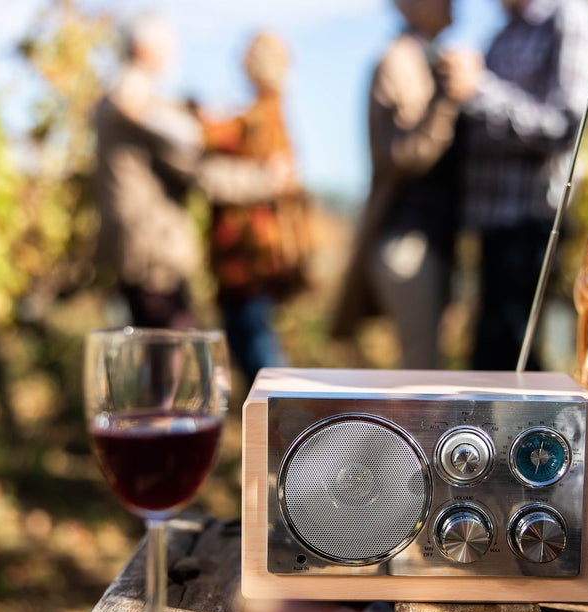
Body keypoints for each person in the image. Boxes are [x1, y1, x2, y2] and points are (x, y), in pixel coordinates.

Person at [93, 13, 294, 331]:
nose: (176, 53)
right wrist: (266, 179)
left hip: (142, 251)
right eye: (169, 44)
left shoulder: (126, 98)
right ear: (146, 48)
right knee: (175, 358)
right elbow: (197, 169)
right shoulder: (134, 102)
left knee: (157, 356)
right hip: (154, 255)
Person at [439, 0, 588, 370]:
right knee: (489, 359)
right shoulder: (503, 33)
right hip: (492, 224)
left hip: (532, 222)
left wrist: (478, 89)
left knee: (515, 358)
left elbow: (566, 125)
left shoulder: (569, 20)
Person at [331, 0, 464, 370]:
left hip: (431, 241)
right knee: (420, 368)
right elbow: (399, 155)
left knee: (427, 362)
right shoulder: (397, 63)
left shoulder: (433, 59)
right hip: (407, 241)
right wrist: (447, 100)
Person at [200, 32, 307, 386]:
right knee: (250, 341)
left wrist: (201, 118)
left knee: (260, 352)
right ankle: (282, 426)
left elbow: (225, 137)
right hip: (249, 255)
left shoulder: (264, 113)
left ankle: (289, 428)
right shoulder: (271, 110)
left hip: (249, 255)